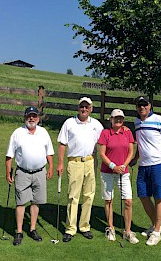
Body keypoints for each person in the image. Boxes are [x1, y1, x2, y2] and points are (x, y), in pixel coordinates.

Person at [57, 97, 104, 242]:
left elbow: (104, 140)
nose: (84, 109)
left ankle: (84, 226)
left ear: (91, 109)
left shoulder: (96, 124)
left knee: (89, 195)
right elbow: (62, 144)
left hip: (90, 161)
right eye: (81, 107)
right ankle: (70, 228)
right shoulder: (69, 123)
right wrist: (60, 163)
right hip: (74, 162)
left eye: (87, 107)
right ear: (78, 108)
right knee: (73, 196)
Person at [5, 106, 54, 246]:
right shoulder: (17, 133)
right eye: (29, 116)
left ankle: (32, 229)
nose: (31, 118)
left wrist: (51, 166)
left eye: (34, 116)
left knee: (35, 202)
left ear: (38, 118)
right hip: (22, 172)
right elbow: (9, 155)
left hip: (40, 172)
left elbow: (49, 152)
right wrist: (8, 172)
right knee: (20, 203)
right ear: (25, 117)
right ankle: (19, 232)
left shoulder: (43, 132)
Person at [131, 96, 161, 246]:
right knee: (143, 196)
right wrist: (136, 158)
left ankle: (156, 232)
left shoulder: (159, 119)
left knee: (158, 197)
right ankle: (156, 226)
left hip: (158, 164)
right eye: (139, 105)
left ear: (150, 106)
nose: (142, 107)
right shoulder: (137, 122)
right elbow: (141, 143)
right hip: (143, 165)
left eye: (144, 105)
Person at [98, 109, 139, 244]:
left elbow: (131, 151)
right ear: (111, 119)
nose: (118, 120)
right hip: (107, 172)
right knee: (108, 200)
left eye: (121, 118)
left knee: (128, 201)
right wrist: (113, 166)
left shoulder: (127, 132)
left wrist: (123, 166)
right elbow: (102, 154)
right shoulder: (105, 133)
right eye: (116, 118)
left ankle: (127, 231)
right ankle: (110, 228)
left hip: (123, 172)